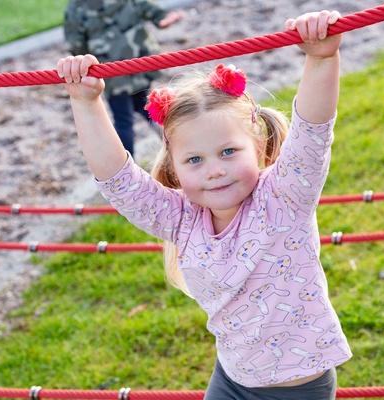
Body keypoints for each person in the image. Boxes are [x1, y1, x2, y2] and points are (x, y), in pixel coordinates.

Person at [58, 9, 351, 400]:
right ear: (176, 170)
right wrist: (85, 101)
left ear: (259, 146)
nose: (214, 171)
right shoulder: (181, 219)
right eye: (195, 160)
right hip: (230, 378)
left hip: (295, 390)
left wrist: (321, 58)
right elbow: (118, 179)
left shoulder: (284, 197)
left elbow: (313, 130)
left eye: (229, 151)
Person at [63, 0, 183, 158]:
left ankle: (127, 166)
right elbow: (146, 7)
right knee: (146, 106)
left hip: (110, 69)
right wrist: (161, 18)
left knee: (124, 119)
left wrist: (86, 62)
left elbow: (76, 43)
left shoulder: (76, 8)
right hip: (137, 61)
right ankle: (178, 145)